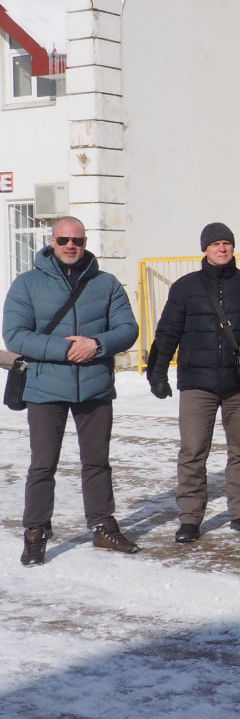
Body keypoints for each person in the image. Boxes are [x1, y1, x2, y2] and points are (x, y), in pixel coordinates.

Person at [4, 217, 140, 566]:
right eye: (63, 239)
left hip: (94, 386)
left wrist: (96, 344)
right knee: (42, 465)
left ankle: (102, 525)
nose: (70, 245)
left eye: (76, 240)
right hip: (45, 388)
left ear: (85, 242)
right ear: (52, 240)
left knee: (97, 462)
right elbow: (15, 335)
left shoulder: (106, 283)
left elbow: (128, 328)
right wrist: (63, 349)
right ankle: (35, 533)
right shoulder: (27, 284)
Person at [147, 222, 240, 542]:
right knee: (193, 451)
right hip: (198, 383)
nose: (221, 249)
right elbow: (167, 332)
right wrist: (156, 372)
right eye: (215, 244)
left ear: (233, 248)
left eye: (226, 243)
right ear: (205, 249)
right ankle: (190, 518)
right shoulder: (184, 288)